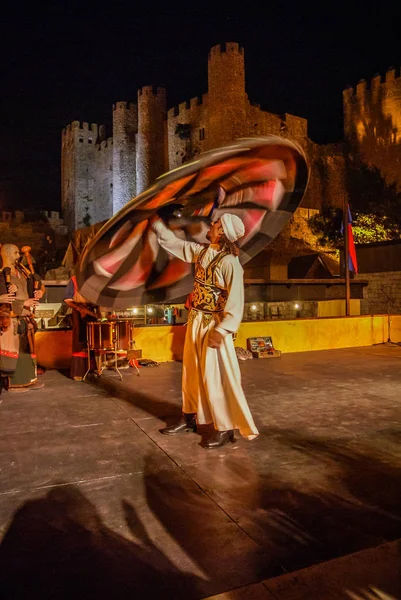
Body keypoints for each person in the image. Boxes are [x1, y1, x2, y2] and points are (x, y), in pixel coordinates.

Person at [151, 213, 259, 449]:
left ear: (222, 233)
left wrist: (222, 330)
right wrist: (157, 225)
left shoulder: (230, 264)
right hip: (196, 320)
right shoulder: (201, 252)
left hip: (214, 325)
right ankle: (189, 418)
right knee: (191, 372)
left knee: (216, 377)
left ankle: (225, 427)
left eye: (216, 224)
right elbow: (176, 245)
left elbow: (236, 302)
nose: (211, 225)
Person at [0, 244, 44, 393]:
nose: (19, 256)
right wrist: (22, 303)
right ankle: (13, 383)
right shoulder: (1, 274)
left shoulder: (22, 272)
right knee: (12, 353)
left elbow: (37, 287)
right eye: (16, 253)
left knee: (26, 352)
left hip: (25, 317)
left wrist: (38, 293)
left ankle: (28, 380)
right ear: (6, 254)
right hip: (9, 319)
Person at [63, 273, 100, 381]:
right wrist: (80, 309)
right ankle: (78, 372)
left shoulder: (94, 280)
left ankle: (92, 368)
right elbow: (67, 299)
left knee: (93, 342)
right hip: (78, 314)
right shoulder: (74, 280)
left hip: (91, 313)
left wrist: (97, 313)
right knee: (80, 342)